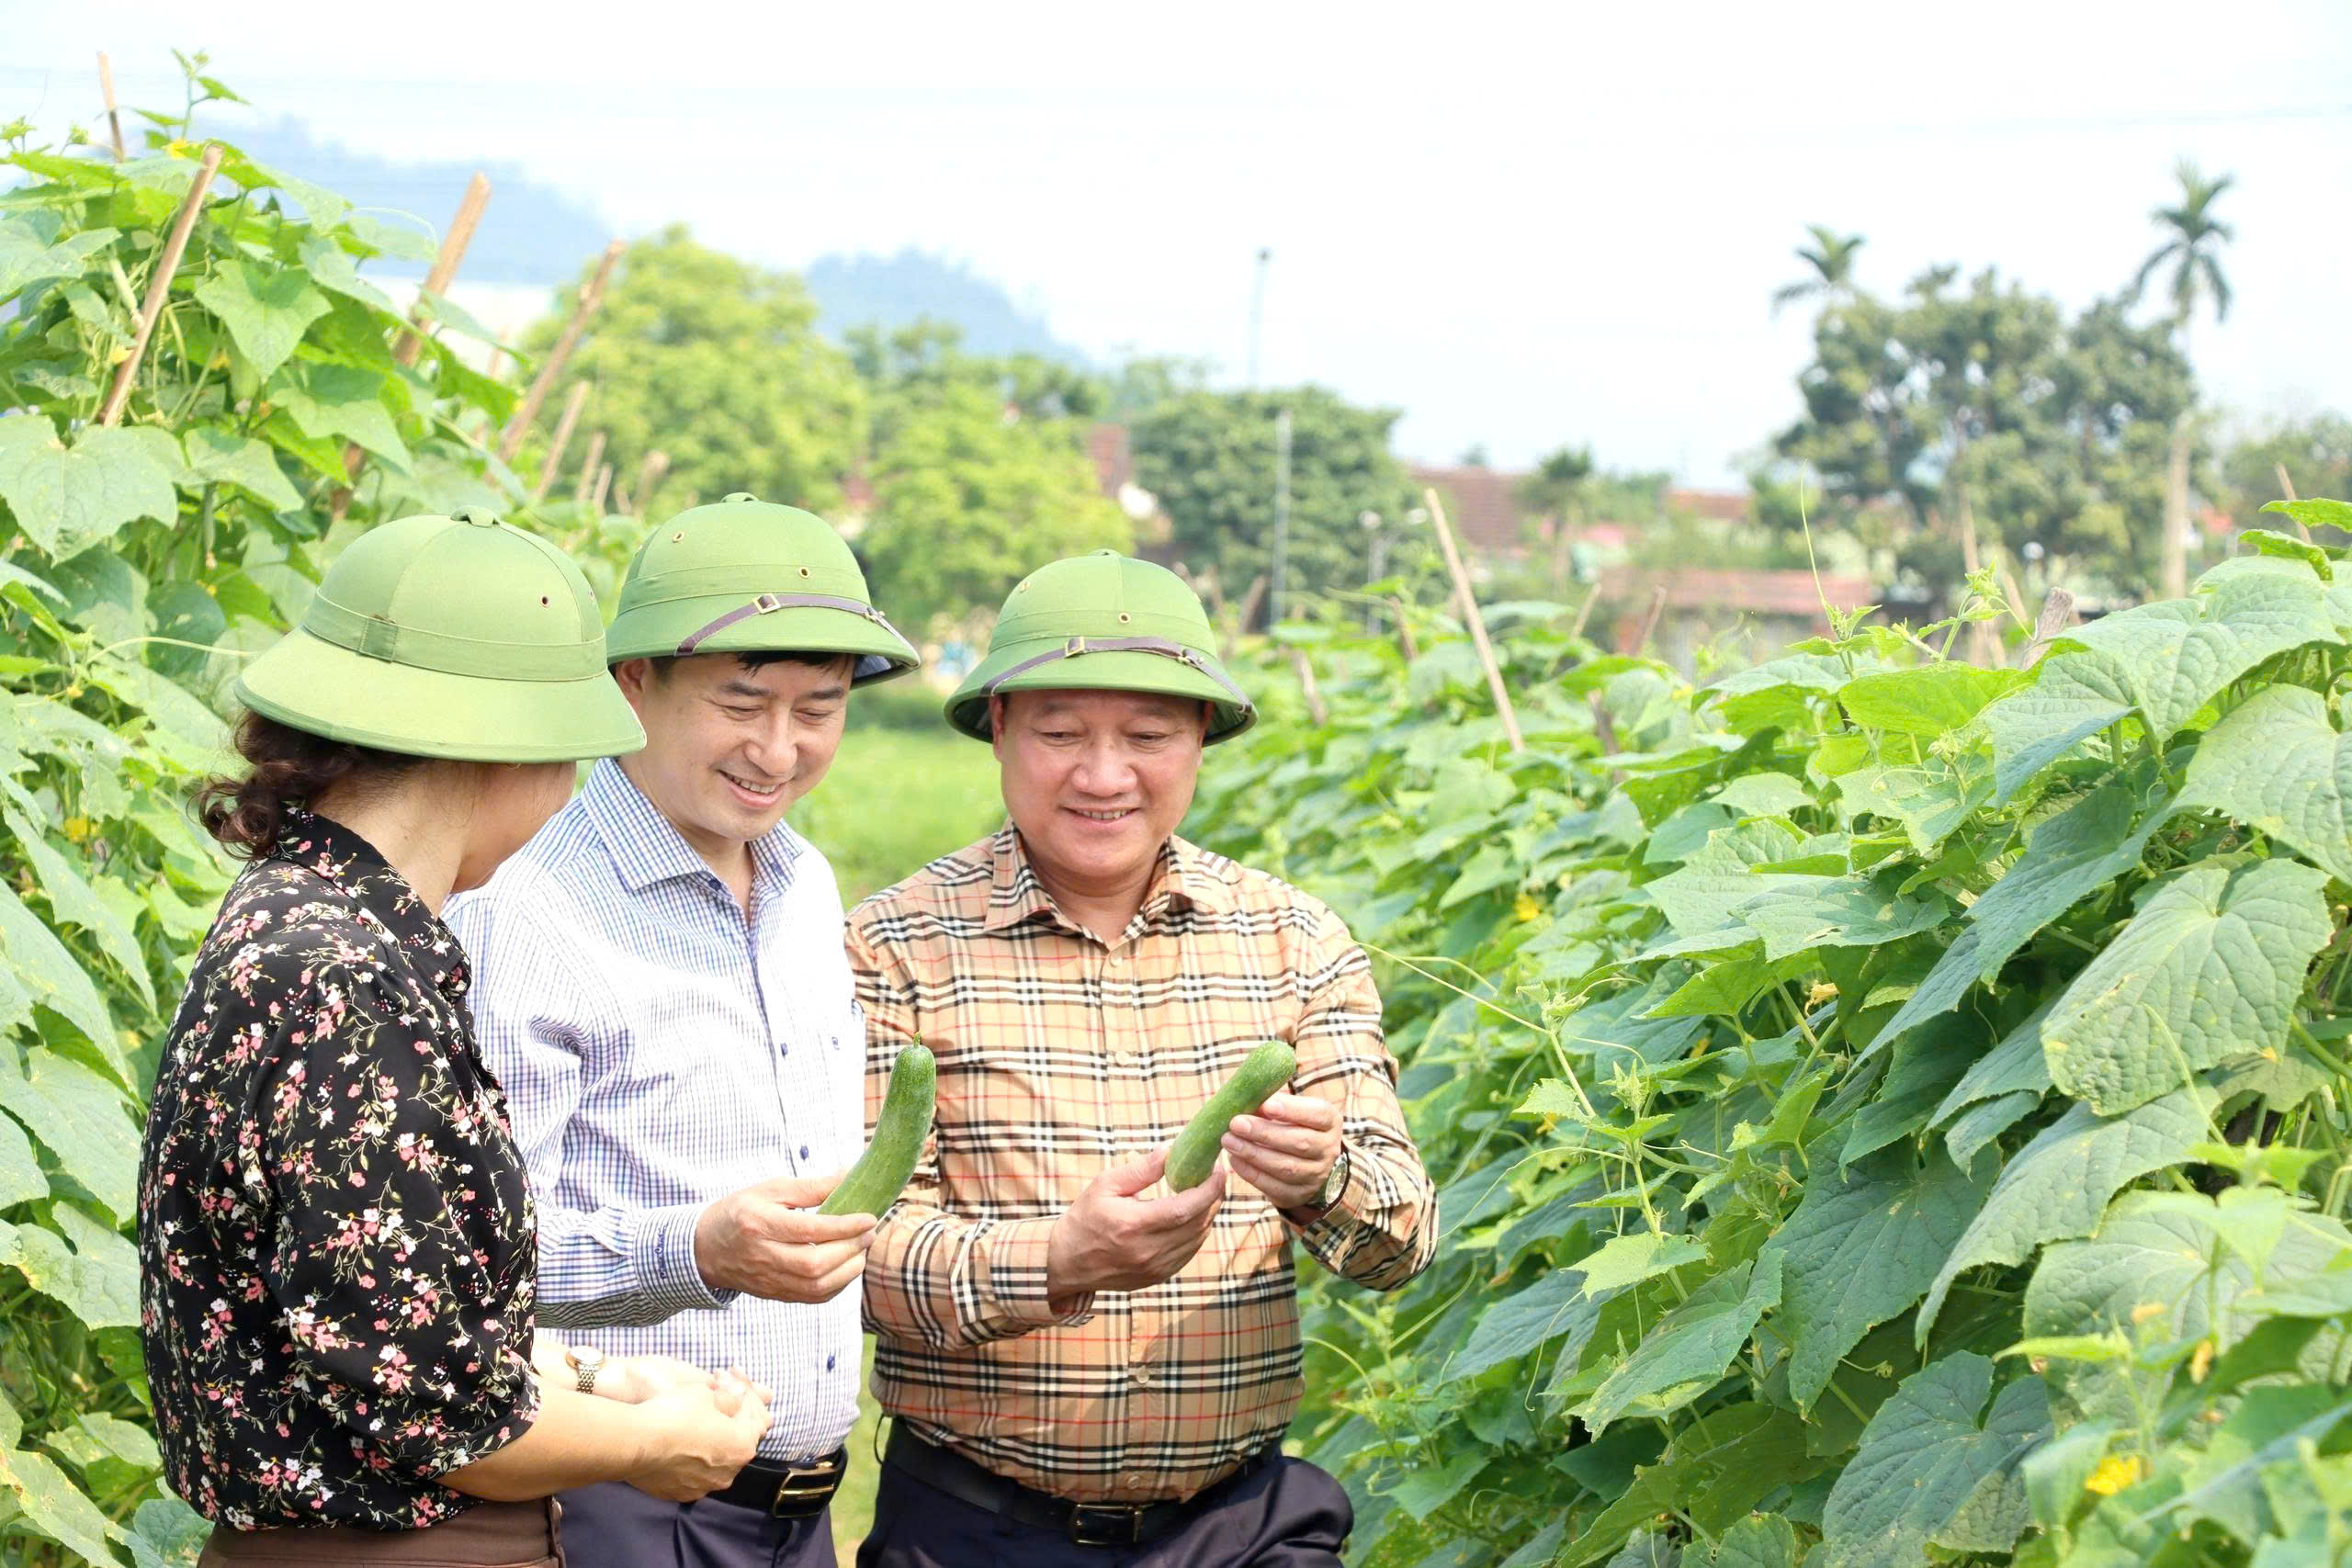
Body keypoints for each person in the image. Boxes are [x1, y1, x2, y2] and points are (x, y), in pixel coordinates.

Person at [139, 509, 774, 1568]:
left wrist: (593, 1381)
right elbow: (438, 1415)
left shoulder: (292, 918)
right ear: (503, 754)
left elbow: (376, 1314)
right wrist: (653, 1442)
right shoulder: (352, 986)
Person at [845, 551, 1440, 1567]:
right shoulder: (890, 948)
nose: (1104, 775)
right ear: (999, 728)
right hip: (973, 1529)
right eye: (1061, 732)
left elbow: (1401, 1240)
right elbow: (854, 1258)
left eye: (1148, 736)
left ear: (1200, 737)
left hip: (1239, 1528)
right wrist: (1057, 1262)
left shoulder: (1292, 942)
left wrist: (1322, 1178)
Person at [446, 493, 922, 1568]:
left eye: (820, 708)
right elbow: (470, 1264)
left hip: (797, 1517)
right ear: (633, 684)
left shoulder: (803, 885)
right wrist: (698, 1249)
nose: (779, 748)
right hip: (614, 1501)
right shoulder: (526, 910)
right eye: (742, 702)